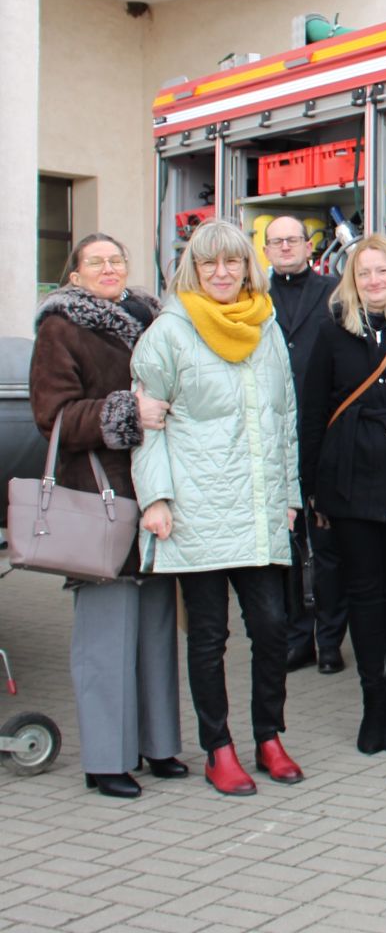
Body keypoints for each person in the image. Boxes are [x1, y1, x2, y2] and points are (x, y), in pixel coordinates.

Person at [131, 219, 304, 796]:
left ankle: (269, 736)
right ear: (194, 271)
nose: (223, 273)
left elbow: (285, 422)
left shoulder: (267, 326)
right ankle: (218, 748)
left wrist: (288, 498)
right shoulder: (169, 333)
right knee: (208, 637)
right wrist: (154, 499)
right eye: (210, 265)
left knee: (273, 629)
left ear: (247, 267)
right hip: (196, 510)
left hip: (257, 508)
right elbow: (147, 429)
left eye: (232, 262)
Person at [28, 234, 185, 799]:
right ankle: (105, 758)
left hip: (154, 495)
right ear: (74, 276)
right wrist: (127, 412)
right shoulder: (60, 328)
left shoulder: (148, 318)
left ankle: (159, 744)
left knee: (157, 628)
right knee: (105, 636)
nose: (109, 268)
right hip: (101, 496)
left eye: (117, 259)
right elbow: (53, 417)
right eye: (96, 262)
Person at [299, 235, 386, 755]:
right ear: (351, 283)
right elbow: (312, 413)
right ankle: (371, 699)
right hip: (348, 481)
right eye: (364, 274)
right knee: (362, 595)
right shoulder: (331, 333)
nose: (374, 281)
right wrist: (312, 487)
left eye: (383, 271)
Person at [263, 215, 346, 676]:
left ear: (307, 247)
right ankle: (298, 637)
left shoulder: (333, 292)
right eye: (276, 242)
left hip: (323, 435)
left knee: (329, 549)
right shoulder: (253, 299)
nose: (285, 248)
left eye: (292, 240)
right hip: (275, 438)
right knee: (286, 549)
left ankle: (330, 640)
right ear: (267, 251)